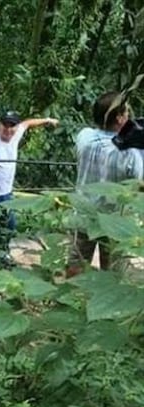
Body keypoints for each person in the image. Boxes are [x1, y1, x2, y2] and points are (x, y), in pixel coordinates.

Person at [67, 92, 144, 276]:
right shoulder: (131, 152)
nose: (129, 116)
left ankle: (69, 301)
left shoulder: (84, 137)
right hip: (115, 223)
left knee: (75, 266)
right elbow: (140, 184)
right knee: (112, 276)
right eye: (126, 112)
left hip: (84, 215)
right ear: (119, 118)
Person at [0, 111, 59, 255]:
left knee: (8, 228)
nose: (8, 129)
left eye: (12, 125)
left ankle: (2, 256)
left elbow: (28, 123)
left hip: (5, 194)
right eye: (5, 125)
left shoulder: (16, 133)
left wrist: (48, 120)